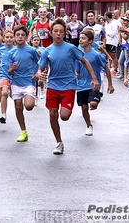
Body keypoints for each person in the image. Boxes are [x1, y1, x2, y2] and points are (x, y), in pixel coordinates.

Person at [37, 18, 100, 155]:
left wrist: (94, 79)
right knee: (53, 114)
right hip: (53, 85)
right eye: (55, 31)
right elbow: (40, 68)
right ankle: (59, 142)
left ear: (65, 33)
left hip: (68, 86)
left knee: (64, 116)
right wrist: (39, 74)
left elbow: (85, 62)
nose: (58, 34)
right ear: (51, 33)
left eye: (61, 31)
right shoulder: (47, 50)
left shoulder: (71, 48)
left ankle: (69, 114)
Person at [76, 30, 115, 136]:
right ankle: (88, 125)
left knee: (93, 104)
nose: (81, 40)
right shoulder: (78, 55)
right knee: (84, 107)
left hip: (93, 84)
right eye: (80, 38)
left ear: (90, 41)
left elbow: (106, 68)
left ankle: (92, 99)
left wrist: (110, 84)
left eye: (83, 38)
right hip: (81, 85)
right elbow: (77, 71)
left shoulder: (96, 55)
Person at [7, 25, 40, 142]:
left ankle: (30, 98)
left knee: (29, 106)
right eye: (18, 35)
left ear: (26, 37)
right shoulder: (11, 52)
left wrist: (38, 73)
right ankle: (23, 131)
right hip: (16, 82)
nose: (20, 37)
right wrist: (13, 68)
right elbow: (8, 72)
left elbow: (41, 63)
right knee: (18, 107)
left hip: (29, 82)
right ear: (14, 37)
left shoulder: (32, 51)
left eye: (22, 35)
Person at [0, 30, 14, 123]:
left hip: (15, 76)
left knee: (14, 96)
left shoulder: (16, 49)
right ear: (3, 39)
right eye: (7, 37)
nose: (9, 39)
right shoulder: (0, 50)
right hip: (4, 75)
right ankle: (3, 115)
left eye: (11, 37)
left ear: (14, 38)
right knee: (4, 93)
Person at [104, 11, 120, 75]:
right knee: (108, 55)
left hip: (113, 42)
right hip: (107, 41)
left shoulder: (114, 23)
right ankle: (109, 67)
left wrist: (106, 32)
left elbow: (113, 33)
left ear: (107, 16)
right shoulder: (106, 23)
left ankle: (115, 69)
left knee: (113, 56)